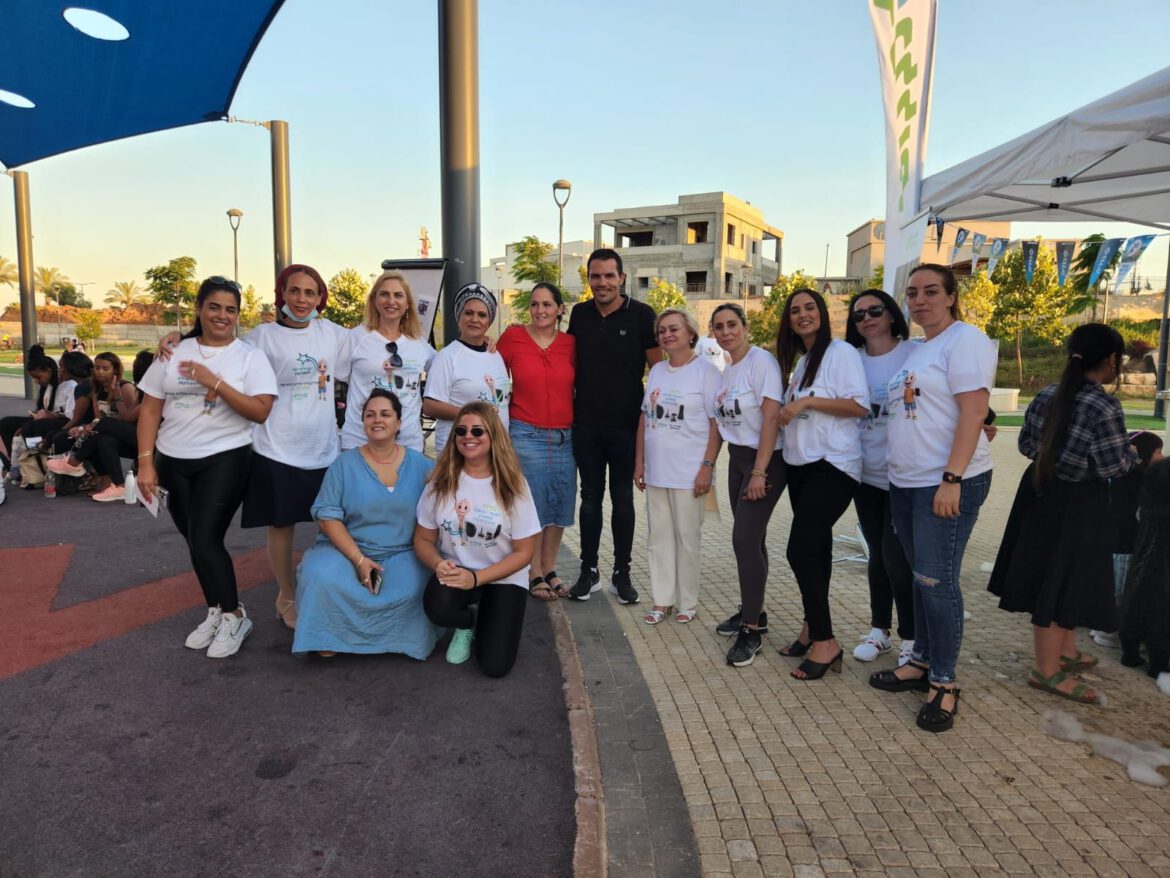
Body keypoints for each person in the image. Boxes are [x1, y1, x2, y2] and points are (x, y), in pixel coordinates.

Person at [868, 264, 995, 733]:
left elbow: (974, 411)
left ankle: (944, 682)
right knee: (919, 579)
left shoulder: (965, 340)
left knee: (937, 582)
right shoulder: (920, 349)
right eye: (913, 293)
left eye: (931, 291)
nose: (920, 300)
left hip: (944, 483)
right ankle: (920, 660)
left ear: (951, 296)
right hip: (905, 483)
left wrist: (952, 478)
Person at [989, 324, 1137, 705]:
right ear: (1111, 360)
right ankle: (1046, 669)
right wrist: (1134, 454)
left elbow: (1026, 445)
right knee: (1060, 580)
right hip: (1079, 502)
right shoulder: (1104, 406)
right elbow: (1113, 465)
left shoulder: (1047, 394)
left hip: (1039, 492)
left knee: (1057, 576)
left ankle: (1065, 651)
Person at [136, 276, 278, 659]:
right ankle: (215, 609)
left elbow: (260, 411)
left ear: (238, 315)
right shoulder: (173, 351)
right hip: (171, 460)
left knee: (204, 538)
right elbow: (149, 410)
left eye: (231, 309)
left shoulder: (249, 357)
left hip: (226, 457)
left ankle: (235, 615)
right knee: (194, 540)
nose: (222, 315)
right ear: (199, 308)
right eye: (214, 306)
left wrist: (215, 382)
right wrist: (146, 463)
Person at [241, 264, 351, 630]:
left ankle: (328, 589)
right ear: (282, 294)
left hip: (323, 448)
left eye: (310, 292)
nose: (302, 300)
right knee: (281, 524)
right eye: (295, 291)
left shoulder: (334, 334)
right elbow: (221, 353)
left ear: (320, 297)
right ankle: (286, 595)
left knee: (331, 524)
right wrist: (178, 340)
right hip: (276, 447)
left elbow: (377, 342)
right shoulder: (261, 338)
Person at [293, 389, 439, 658]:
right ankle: (330, 635)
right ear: (362, 423)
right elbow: (327, 516)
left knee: (416, 585)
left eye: (385, 414)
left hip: (403, 552)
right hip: (347, 551)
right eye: (370, 415)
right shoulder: (343, 464)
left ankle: (397, 639)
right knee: (321, 576)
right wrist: (359, 560)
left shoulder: (423, 466)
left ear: (399, 422)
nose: (377, 420)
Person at [775, 289, 869, 681]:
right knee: (817, 551)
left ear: (823, 313)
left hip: (833, 466)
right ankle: (812, 628)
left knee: (799, 550)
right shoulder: (803, 361)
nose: (802, 315)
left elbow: (858, 406)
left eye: (810, 307)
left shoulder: (840, 353)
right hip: (802, 466)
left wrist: (806, 403)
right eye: (795, 310)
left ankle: (827, 642)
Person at [413, 402, 540, 677]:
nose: (468, 436)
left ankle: (491, 614)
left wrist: (477, 578)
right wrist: (437, 563)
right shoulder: (440, 481)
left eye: (477, 431)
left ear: (493, 436)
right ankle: (465, 622)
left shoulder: (513, 484)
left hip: (504, 578)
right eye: (461, 431)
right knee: (437, 607)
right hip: (459, 572)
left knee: (495, 666)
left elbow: (525, 552)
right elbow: (422, 538)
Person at [566, 248, 659, 604]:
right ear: (588, 279)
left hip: (626, 428)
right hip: (586, 426)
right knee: (589, 500)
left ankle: (622, 573)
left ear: (622, 278)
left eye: (609, 275)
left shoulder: (642, 315)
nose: (602, 282)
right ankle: (588, 571)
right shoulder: (579, 314)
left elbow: (659, 372)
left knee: (623, 500)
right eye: (595, 276)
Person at [709, 303, 787, 667]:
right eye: (719, 327)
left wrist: (760, 472)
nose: (726, 332)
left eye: (732, 325)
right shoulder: (728, 369)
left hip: (763, 460)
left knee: (743, 540)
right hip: (738, 459)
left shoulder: (761, 362)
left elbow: (771, 419)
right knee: (752, 540)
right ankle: (755, 611)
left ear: (745, 326)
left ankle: (751, 630)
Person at [634, 308, 721, 624]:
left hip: (689, 473)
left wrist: (707, 467)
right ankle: (662, 600)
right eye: (662, 331)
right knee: (658, 538)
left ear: (690, 334)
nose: (667, 335)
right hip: (657, 471)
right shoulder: (657, 370)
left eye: (673, 329)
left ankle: (687, 602)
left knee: (687, 538)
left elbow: (716, 424)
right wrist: (639, 462)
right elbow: (645, 417)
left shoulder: (707, 372)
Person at [844, 289, 915, 665]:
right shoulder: (850, 359)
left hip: (906, 476)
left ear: (891, 314)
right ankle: (879, 631)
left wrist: (985, 420)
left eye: (874, 311)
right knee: (878, 554)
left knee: (896, 557)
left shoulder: (914, 353)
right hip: (866, 475)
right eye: (859, 315)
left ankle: (912, 637)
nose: (867, 319)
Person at [496, 282, 577, 600]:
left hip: (565, 437)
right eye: (534, 304)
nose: (539, 310)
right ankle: (533, 571)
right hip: (526, 434)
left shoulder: (571, 344)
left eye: (546, 304)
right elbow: (490, 372)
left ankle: (550, 567)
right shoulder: (513, 337)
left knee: (560, 504)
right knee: (533, 505)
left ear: (560, 309)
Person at [342, 270, 435, 454]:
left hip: (408, 443)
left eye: (398, 295)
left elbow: (446, 368)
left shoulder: (419, 344)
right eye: (384, 294)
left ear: (407, 304)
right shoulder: (355, 338)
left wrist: (483, 343)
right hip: (360, 441)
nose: (391, 301)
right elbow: (336, 376)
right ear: (374, 300)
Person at [1094, 431, 1164, 649]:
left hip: (1110, 540)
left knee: (1109, 584)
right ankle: (1110, 632)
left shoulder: (1119, 475)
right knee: (1120, 588)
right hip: (1126, 543)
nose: (1161, 456)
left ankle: (1099, 625)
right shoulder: (1139, 479)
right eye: (1158, 451)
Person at [423, 283, 511, 455]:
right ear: (459, 316)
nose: (475, 319)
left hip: (495, 452)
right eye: (468, 313)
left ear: (489, 321)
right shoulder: (447, 357)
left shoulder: (495, 354)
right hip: (460, 453)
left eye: (482, 315)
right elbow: (430, 406)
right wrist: (474, 415)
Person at [46, 352, 140, 500]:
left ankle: (74, 462)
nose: (100, 372)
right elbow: (98, 420)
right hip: (108, 432)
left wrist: (117, 397)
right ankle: (117, 486)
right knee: (97, 437)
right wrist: (83, 428)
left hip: (133, 435)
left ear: (115, 370)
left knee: (102, 427)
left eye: (105, 368)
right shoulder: (96, 390)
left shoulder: (125, 388)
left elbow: (128, 419)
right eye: (97, 368)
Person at [1119, 455, 1170, 678]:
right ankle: (1158, 662)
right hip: (1164, 565)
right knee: (1163, 609)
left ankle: (1130, 651)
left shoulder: (1149, 500)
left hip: (1145, 555)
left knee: (1136, 597)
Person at [0, 347, 60, 474]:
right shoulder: (46, 387)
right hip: (42, 419)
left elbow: (65, 414)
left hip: (55, 421)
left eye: (38, 377)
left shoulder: (63, 386)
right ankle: (12, 462)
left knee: (29, 427)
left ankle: (30, 466)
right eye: (34, 378)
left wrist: (45, 415)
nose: (36, 381)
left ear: (49, 371)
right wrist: (36, 413)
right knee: (6, 423)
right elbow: (43, 409)